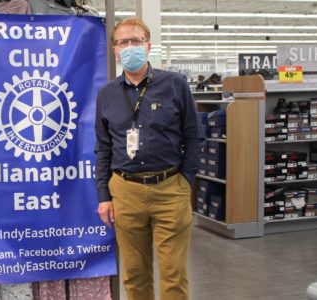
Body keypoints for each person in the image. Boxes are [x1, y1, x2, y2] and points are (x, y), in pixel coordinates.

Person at [94, 18, 202, 300]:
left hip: (169, 188)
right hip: (125, 191)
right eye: (122, 42)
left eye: (136, 41)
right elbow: (103, 147)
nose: (130, 47)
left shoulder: (175, 84)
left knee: (173, 275)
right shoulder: (106, 94)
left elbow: (194, 136)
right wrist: (104, 195)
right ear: (115, 51)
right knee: (134, 274)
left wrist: (185, 180)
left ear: (148, 45)